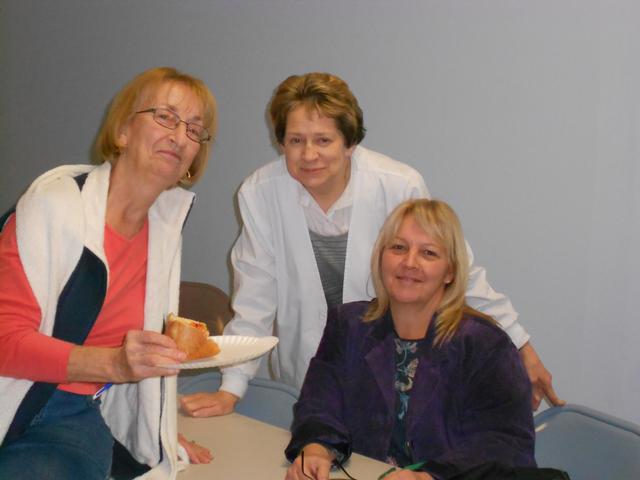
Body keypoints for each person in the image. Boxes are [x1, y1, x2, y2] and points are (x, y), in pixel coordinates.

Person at [180, 72, 561, 419]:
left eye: (324, 140)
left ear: (350, 143)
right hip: (306, 375)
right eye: (295, 141)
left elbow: (459, 273)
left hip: (392, 376)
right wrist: (232, 389)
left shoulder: (397, 185)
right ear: (281, 142)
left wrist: (521, 347)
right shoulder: (261, 192)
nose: (308, 155)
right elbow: (255, 299)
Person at [0, 67, 216, 479]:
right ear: (122, 132)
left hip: (70, 414)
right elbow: (5, 343)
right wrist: (113, 364)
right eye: (165, 116)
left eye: (194, 129)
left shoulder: (166, 229)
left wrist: (158, 431)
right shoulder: (53, 205)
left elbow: (139, 356)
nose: (179, 135)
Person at [284, 199, 536, 480]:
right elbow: (319, 404)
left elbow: (505, 445)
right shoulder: (348, 325)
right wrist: (317, 447)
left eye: (428, 253)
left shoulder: (485, 345)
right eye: (398, 248)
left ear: (450, 271)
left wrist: (427, 477)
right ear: (382, 256)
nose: (409, 262)